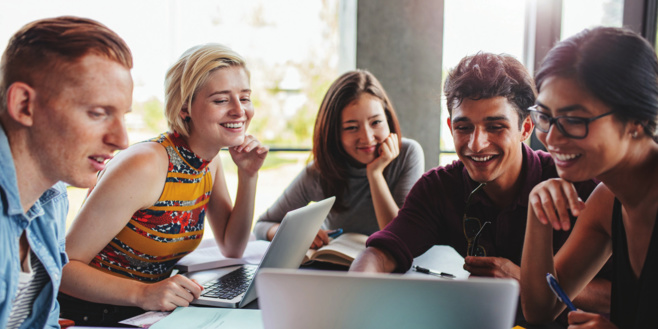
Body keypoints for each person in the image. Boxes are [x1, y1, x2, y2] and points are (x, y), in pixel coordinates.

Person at [350, 52, 610, 314]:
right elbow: (379, 254)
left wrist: (523, 280)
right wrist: (354, 298)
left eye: (496, 127)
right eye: (464, 128)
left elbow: (626, 296)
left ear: (526, 128)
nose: (476, 144)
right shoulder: (438, 187)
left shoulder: (579, 184)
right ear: (451, 127)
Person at [58, 43, 268, 326]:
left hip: (144, 313)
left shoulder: (209, 160)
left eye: (244, 98)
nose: (238, 111)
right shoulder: (145, 164)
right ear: (185, 108)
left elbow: (233, 246)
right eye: (221, 100)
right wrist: (144, 293)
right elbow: (64, 268)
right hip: (91, 315)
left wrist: (248, 175)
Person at [520, 27, 658, 328]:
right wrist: (537, 212)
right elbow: (541, 309)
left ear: (637, 120)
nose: (552, 138)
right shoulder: (607, 201)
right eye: (545, 116)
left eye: (574, 120)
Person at [0, 16, 133, 329]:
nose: (122, 140)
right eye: (98, 113)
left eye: (123, 116)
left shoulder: (52, 192)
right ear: (23, 105)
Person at [253, 69, 424, 248]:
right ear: (334, 133)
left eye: (376, 122)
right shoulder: (320, 172)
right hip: (336, 269)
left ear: (388, 119)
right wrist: (297, 235)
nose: (367, 137)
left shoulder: (408, 154)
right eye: (351, 127)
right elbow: (262, 226)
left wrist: (375, 174)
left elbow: (399, 237)